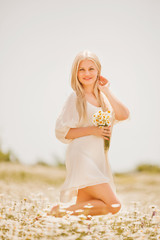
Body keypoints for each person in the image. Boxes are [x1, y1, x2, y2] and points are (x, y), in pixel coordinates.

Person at [48, 50, 130, 218]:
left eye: (91, 69)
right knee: (113, 205)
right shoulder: (76, 98)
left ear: (98, 71)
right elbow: (62, 132)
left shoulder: (103, 99)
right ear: (75, 73)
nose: (86, 73)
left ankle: (49, 220)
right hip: (82, 156)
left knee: (83, 210)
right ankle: (58, 212)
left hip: (98, 157)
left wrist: (106, 90)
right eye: (81, 69)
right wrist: (93, 130)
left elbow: (123, 115)